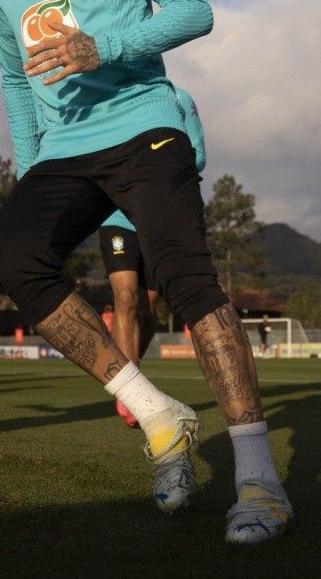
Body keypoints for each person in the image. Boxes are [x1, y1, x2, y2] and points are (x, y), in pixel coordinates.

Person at [0, 0, 291, 544]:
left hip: (143, 124)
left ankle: (260, 483)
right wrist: (31, 170)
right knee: (18, 260)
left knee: (185, 280)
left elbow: (192, 7)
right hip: (63, 152)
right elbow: (13, 78)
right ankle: (158, 414)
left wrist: (105, 46)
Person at [99, 86, 205, 427]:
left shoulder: (179, 98)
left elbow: (198, 154)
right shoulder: (108, 96)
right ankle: (130, 393)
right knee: (126, 297)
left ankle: (133, 375)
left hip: (158, 214)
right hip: (115, 215)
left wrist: (157, 164)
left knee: (148, 307)